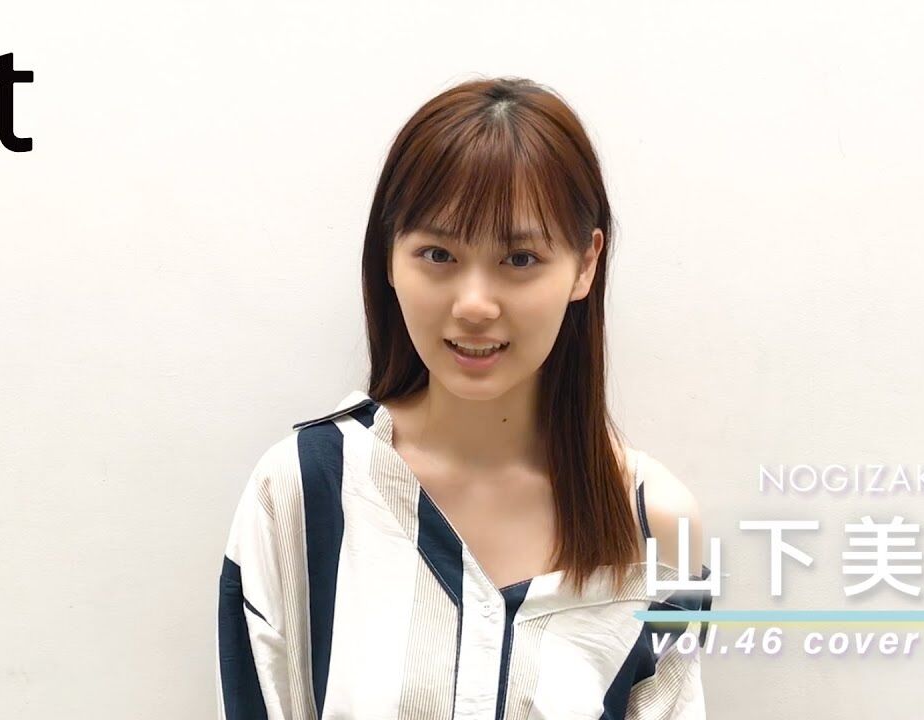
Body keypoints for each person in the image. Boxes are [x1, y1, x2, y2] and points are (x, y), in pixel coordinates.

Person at [217, 76, 712, 720]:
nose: (474, 304)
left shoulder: (655, 527)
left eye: (520, 259)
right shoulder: (303, 490)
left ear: (586, 264)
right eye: (439, 253)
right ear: (389, 258)